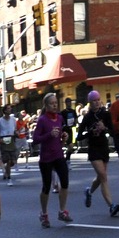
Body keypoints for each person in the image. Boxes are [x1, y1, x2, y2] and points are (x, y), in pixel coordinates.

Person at [79, 90, 119, 218]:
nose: (97, 102)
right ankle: (111, 205)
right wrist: (90, 131)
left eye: (98, 100)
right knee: (103, 176)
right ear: (89, 103)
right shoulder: (87, 117)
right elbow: (79, 136)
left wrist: (105, 129)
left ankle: (89, 191)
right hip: (93, 149)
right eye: (94, 100)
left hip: (103, 147)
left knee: (100, 177)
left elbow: (113, 132)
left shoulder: (106, 114)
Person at [34, 93, 72, 227]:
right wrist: (49, 135)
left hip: (58, 155)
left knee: (65, 182)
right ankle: (44, 214)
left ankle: (62, 211)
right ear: (46, 105)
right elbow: (35, 139)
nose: (55, 105)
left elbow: (59, 136)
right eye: (52, 103)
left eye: (56, 103)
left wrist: (63, 136)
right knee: (46, 186)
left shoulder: (60, 118)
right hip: (46, 158)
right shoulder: (42, 120)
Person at [0, 107, 20, 181]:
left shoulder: (13, 120)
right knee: (7, 160)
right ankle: (8, 176)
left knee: (13, 160)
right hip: (4, 140)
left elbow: (15, 129)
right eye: (8, 109)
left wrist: (16, 133)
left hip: (11, 140)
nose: (10, 110)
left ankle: (6, 170)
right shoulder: (0, 121)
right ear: (5, 111)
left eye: (10, 108)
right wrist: (0, 139)